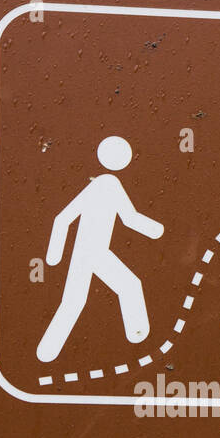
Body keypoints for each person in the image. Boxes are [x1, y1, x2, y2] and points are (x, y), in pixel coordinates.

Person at [37, 135, 164, 363]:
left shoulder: (100, 184)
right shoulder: (107, 184)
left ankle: (48, 351)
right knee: (119, 288)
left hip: (92, 253)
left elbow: (63, 218)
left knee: (84, 298)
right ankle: (48, 351)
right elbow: (129, 218)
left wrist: (55, 255)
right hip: (90, 253)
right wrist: (157, 230)